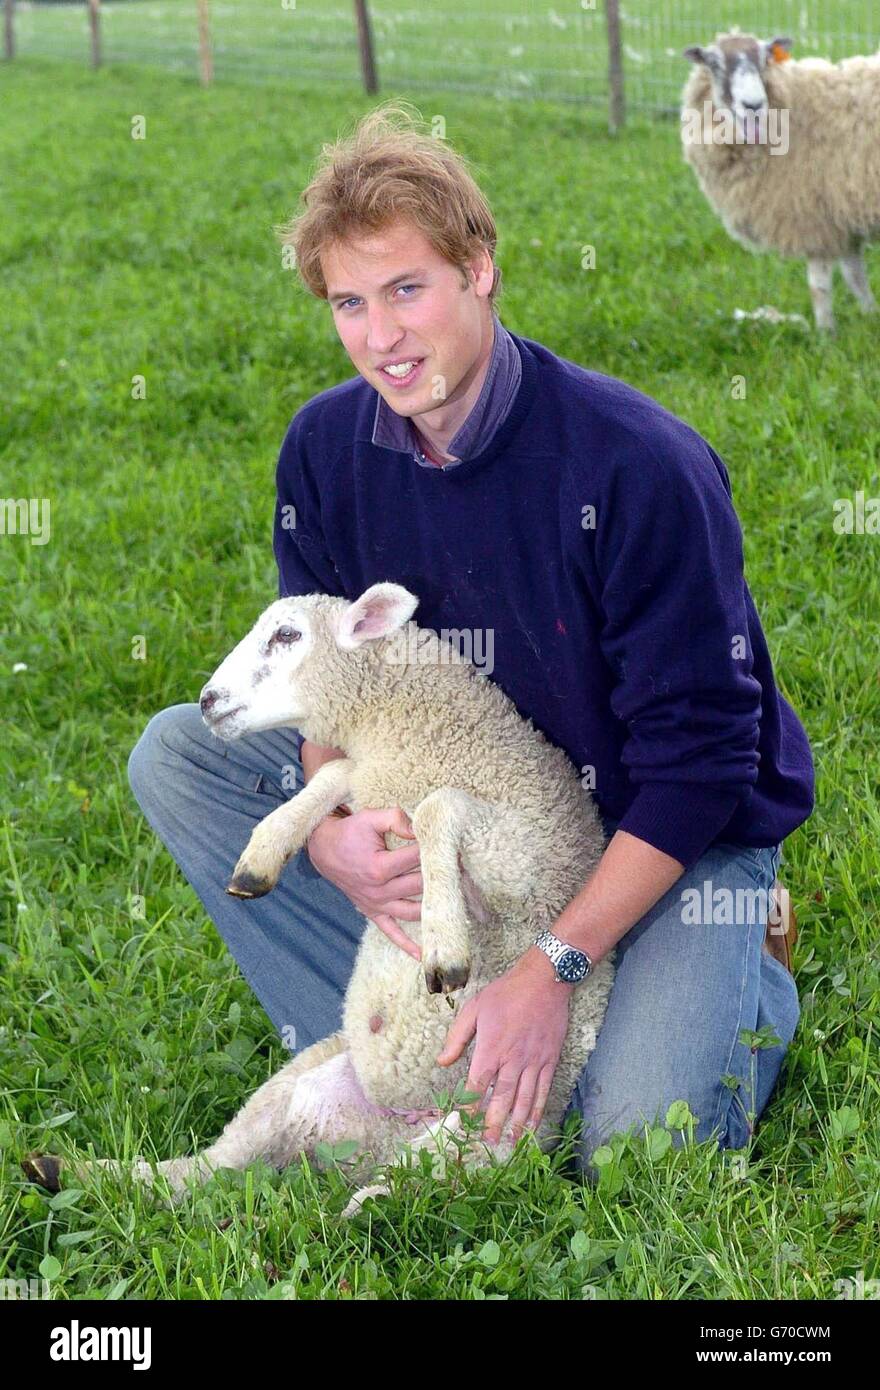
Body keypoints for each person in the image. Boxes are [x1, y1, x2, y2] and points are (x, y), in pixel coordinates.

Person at [128, 107, 813, 1174]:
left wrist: (553, 964)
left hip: (652, 823)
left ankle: (734, 967)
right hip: (457, 806)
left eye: (407, 289)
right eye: (350, 304)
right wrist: (327, 833)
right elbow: (325, 677)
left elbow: (702, 759)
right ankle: (423, 1046)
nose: (381, 337)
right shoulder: (323, 449)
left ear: (478, 268)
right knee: (178, 752)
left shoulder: (636, 467)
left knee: (628, 1153)